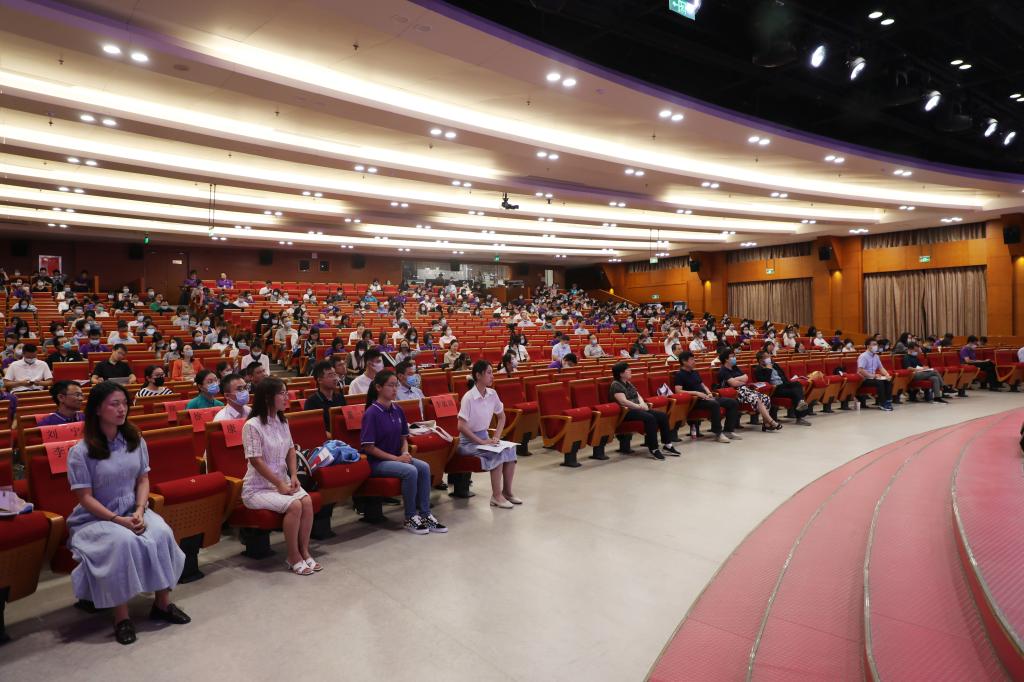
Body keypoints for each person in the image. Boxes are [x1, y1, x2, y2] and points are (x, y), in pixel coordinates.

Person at [65, 381, 190, 645]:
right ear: (97, 409)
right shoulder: (81, 451)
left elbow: (143, 480)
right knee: (122, 542)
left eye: (124, 403)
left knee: (162, 533)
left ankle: (162, 604)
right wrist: (117, 520)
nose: (122, 409)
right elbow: (85, 498)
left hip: (132, 509)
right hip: (96, 517)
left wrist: (140, 510)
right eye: (114, 404)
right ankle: (121, 617)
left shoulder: (135, 440)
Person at [241, 378, 319, 575]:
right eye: (282, 393)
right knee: (295, 505)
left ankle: (304, 551)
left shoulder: (282, 421)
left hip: (282, 482)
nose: (286, 397)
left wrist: (293, 475)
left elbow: (291, 450)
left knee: (307, 501)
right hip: (257, 489)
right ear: (268, 397)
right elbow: (256, 460)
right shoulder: (252, 425)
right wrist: (279, 484)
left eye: (286, 392)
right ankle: (293, 556)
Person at [360, 370, 447, 534]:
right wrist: (396, 459)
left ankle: (425, 514)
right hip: (377, 462)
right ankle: (410, 517)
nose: (394, 389)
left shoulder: (397, 409)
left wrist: (405, 453)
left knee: (424, 467)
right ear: (378, 387)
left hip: (397, 457)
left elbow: (403, 438)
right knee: (410, 471)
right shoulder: (371, 413)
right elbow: (368, 447)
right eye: (390, 385)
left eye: (396, 385)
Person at [457, 360, 521, 508]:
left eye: (492, 372)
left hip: (485, 438)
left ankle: (507, 492)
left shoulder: (492, 394)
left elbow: (502, 417)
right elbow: (461, 426)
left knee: (510, 449)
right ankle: (496, 496)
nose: (492, 376)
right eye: (489, 373)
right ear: (478, 375)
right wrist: (481, 442)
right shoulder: (468, 397)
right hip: (467, 443)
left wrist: (496, 437)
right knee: (496, 453)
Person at [609, 362, 679, 460]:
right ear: (621, 373)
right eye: (628, 370)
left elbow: (638, 395)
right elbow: (623, 401)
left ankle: (667, 445)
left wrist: (643, 404)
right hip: (626, 412)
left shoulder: (628, 383)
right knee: (650, 418)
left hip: (637, 409)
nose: (630, 371)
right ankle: (654, 448)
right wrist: (639, 406)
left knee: (662, 416)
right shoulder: (616, 384)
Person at [673, 352, 740, 443]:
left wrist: (709, 393)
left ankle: (728, 430)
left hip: (705, 397)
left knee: (732, 402)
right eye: (692, 359)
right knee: (714, 404)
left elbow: (703, 385)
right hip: (695, 401)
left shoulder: (695, 372)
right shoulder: (679, 375)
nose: (694, 361)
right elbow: (678, 391)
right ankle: (718, 433)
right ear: (684, 361)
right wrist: (696, 393)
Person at [716, 350, 782, 431]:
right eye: (732, 356)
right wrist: (739, 381)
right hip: (735, 392)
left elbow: (746, 378)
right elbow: (733, 384)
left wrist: (735, 379)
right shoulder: (723, 370)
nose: (734, 358)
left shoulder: (735, 367)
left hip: (745, 389)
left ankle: (766, 423)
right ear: (726, 359)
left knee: (766, 398)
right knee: (757, 399)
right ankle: (771, 422)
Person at [752, 350, 812, 424]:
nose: (769, 358)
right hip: (774, 389)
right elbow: (764, 381)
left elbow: (783, 375)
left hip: (783, 385)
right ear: (761, 360)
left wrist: (788, 383)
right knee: (795, 392)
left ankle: (801, 403)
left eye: (769, 356)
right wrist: (768, 370)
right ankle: (800, 416)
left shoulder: (774, 365)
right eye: (767, 357)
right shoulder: (758, 369)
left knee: (797, 384)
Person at [303, 361, 347, 430]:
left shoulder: (340, 397)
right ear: (319, 380)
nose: (335, 378)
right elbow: (314, 429)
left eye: (335, 374)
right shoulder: (311, 402)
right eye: (330, 375)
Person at [856, 340, 894, 411]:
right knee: (880, 382)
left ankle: (888, 401)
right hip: (864, 379)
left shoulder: (876, 356)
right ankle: (882, 403)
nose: (876, 346)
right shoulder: (863, 356)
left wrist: (887, 375)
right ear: (868, 346)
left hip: (873, 378)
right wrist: (873, 376)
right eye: (873, 344)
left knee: (888, 380)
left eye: (876, 344)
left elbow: (881, 368)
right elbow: (861, 370)